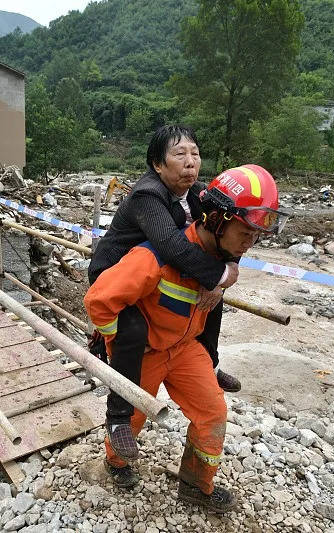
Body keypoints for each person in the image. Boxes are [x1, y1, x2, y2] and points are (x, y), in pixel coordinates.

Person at [84, 164, 288, 512]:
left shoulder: (219, 263)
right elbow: (99, 301)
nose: (251, 242)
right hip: (146, 353)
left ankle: (196, 485)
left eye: (257, 235)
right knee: (131, 419)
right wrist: (120, 343)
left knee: (213, 413)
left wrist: (223, 284)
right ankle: (116, 463)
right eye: (246, 231)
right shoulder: (154, 257)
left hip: (185, 349)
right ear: (217, 220)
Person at [88, 125, 240, 462]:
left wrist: (226, 271)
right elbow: (171, 246)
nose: (190, 162)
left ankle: (210, 365)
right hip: (116, 273)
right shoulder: (148, 195)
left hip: (155, 273)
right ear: (158, 164)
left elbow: (234, 227)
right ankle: (118, 418)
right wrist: (222, 273)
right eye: (179, 154)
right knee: (133, 331)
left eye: (195, 154)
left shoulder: (200, 194)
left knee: (211, 301)